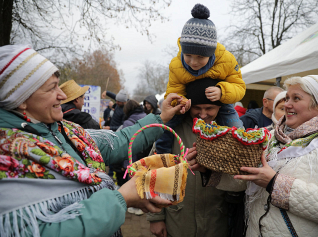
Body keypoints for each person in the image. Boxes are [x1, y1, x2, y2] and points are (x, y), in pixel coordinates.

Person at [0, 45, 190, 237]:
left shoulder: (68, 130)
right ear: (21, 100)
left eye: (59, 84)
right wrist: (122, 198)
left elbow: (121, 140)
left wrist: (161, 117)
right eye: (52, 88)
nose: (63, 95)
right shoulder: (7, 156)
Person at [188, 75, 318, 237]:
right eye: (287, 98)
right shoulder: (273, 137)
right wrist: (210, 170)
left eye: (296, 98)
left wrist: (275, 183)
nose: (287, 104)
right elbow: (249, 176)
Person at [148, 78, 244, 237]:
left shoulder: (230, 132)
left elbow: (239, 176)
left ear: (220, 107)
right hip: (178, 221)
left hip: (216, 222)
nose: (203, 114)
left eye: (209, 108)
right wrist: (155, 217)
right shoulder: (171, 131)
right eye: (197, 108)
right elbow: (153, 171)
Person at [156, 4, 245, 154]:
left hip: (221, 103)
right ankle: (162, 153)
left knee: (235, 124)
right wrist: (180, 101)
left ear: (210, 54)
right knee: (168, 123)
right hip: (189, 106)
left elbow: (239, 87)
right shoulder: (176, 65)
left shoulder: (227, 60)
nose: (193, 62)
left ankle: (240, 150)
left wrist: (223, 91)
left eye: (200, 57)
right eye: (188, 55)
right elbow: (174, 90)